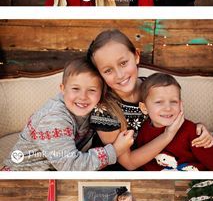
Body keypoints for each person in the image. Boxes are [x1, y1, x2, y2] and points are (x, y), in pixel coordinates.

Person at [88, 29, 213, 169]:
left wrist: (198, 127)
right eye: (108, 70)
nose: (119, 75)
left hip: (159, 160)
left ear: (136, 56)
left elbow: (171, 116)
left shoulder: (152, 88)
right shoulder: (103, 111)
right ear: (100, 74)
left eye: (123, 63)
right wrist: (168, 135)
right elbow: (129, 163)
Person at [3, 53, 134, 171]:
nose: (83, 96)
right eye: (76, 88)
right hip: (22, 176)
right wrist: (114, 151)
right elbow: (71, 166)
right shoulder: (53, 119)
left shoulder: (95, 108)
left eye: (92, 90)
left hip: (53, 172)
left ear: (101, 93)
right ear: (63, 89)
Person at [136, 71, 213, 171]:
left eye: (173, 102)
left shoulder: (193, 132)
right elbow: (141, 165)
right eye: (159, 102)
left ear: (181, 104)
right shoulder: (143, 131)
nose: (168, 108)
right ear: (144, 108)